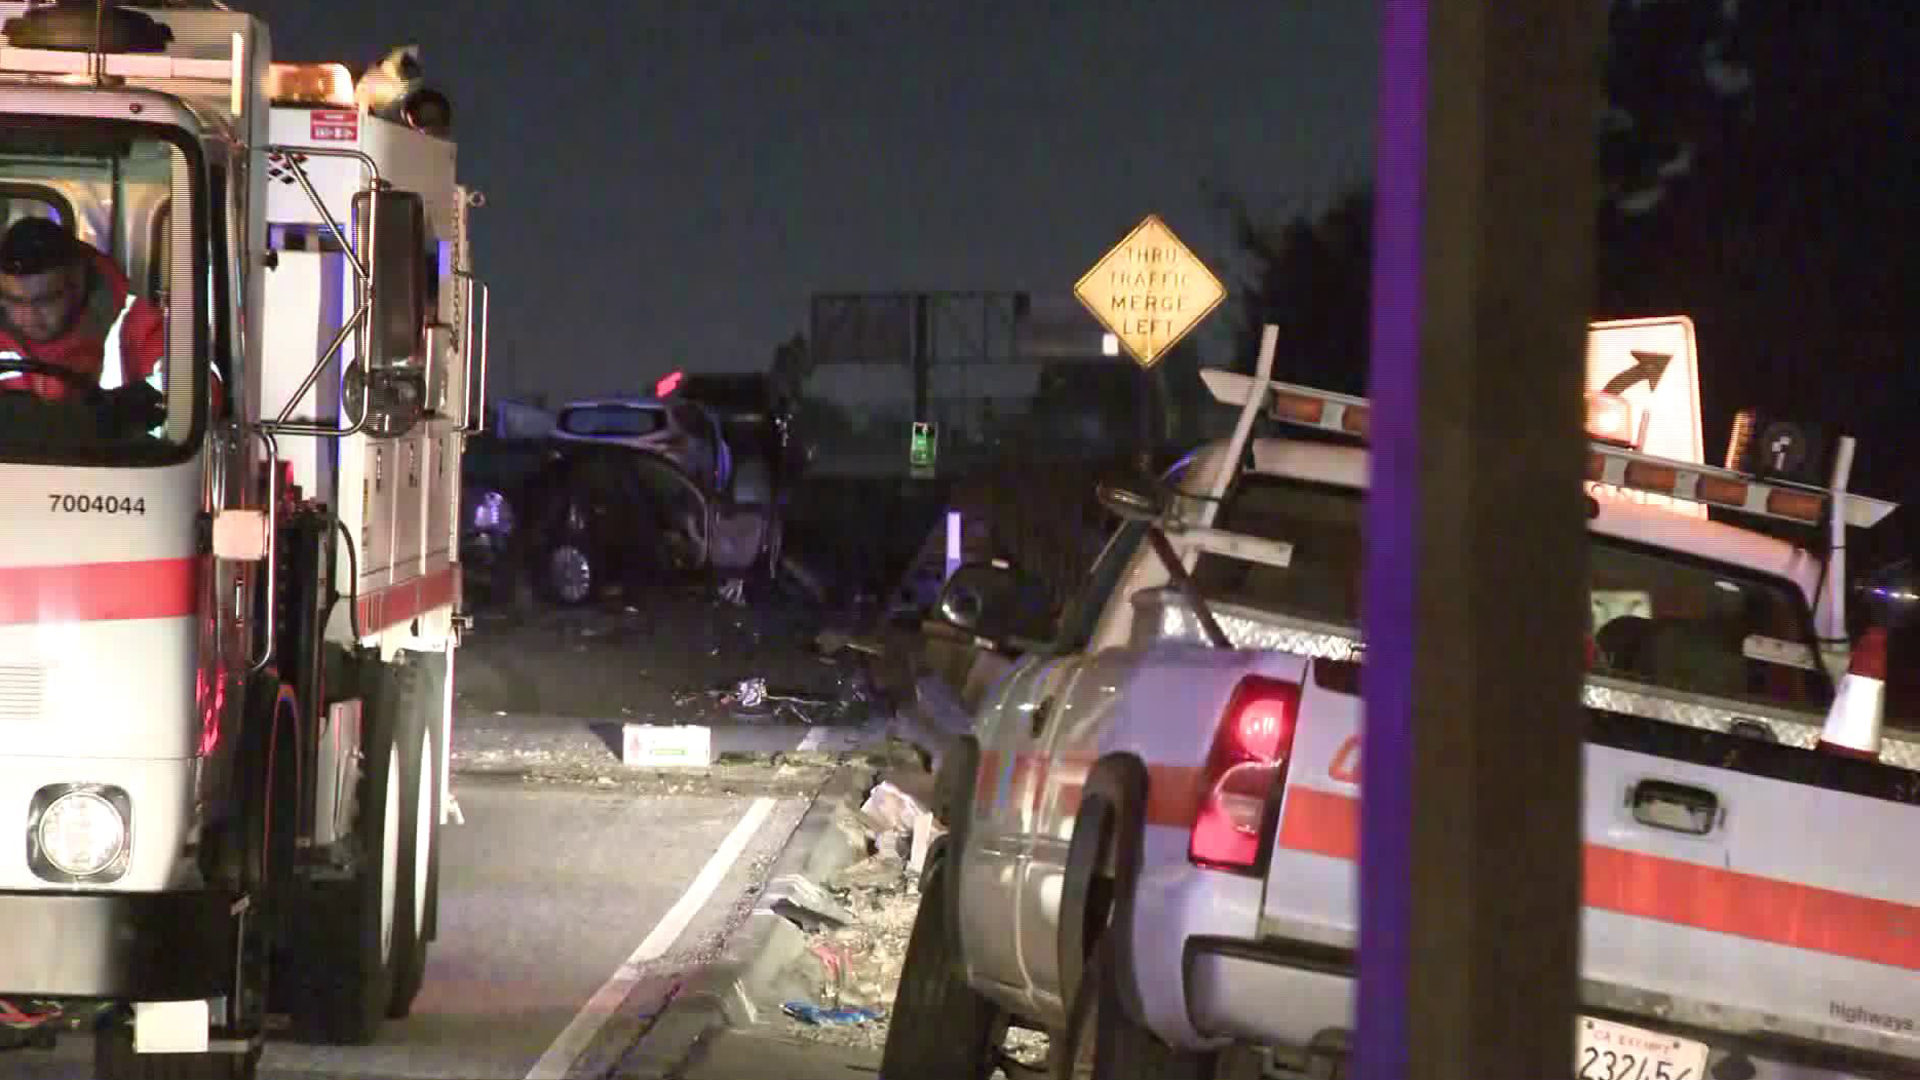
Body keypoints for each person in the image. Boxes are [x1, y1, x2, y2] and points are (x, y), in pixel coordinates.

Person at [0, 215, 177, 430]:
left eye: (45, 300)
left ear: (78, 284)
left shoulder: (133, 319)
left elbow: (197, 383)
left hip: (109, 459)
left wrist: (131, 406)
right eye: (14, 301)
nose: (28, 317)